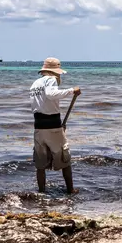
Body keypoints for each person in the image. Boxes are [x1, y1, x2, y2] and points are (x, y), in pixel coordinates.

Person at [29, 57, 81, 194]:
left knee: (40, 162)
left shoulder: (35, 83)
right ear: (54, 71)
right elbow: (51, 95)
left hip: (38, 125)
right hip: (52, 125)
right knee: (65, 157)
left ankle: (41, 192)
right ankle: (70, 190)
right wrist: (72, 90)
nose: (58, 75)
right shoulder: (50, 79)